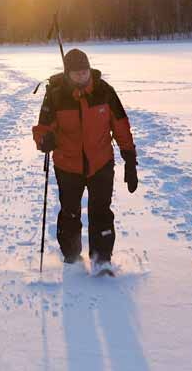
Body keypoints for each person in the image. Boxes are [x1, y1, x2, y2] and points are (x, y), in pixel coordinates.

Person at [32, 48, 138, 274]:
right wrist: (45, 140)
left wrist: (129, 158)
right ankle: (71, 257)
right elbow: (43, 127)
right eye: (77, 73)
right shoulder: (56, 94)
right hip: (67, 164)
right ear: (68, 73)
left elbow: (120, 125)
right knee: (70, 212)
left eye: (85, 71)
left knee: (101, 211)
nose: (82, 76)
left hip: (101, 163)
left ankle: (102, 260)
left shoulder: (104, 91)